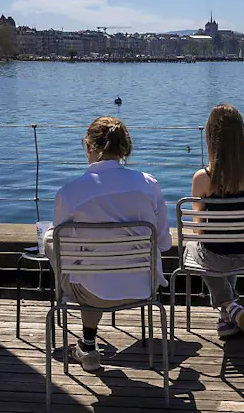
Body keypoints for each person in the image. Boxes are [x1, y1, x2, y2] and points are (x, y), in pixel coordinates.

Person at [48, 116, 171, 373]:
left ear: (89, 146)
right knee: (91, 268)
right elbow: (163, 243)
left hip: (90, 292)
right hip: (143, 287)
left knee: (53, 239)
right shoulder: (149, 185)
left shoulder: (70, 192)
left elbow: (65, 255)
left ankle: (87, 343)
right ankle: (87, 344)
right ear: (124, 148)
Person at [187, 103, 244, 338]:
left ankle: (230, 306)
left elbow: (199, 228)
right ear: (243, 134)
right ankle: (227, 319)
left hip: (218, 254)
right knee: (223, 248)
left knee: (195, 248)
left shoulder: (203, 178)